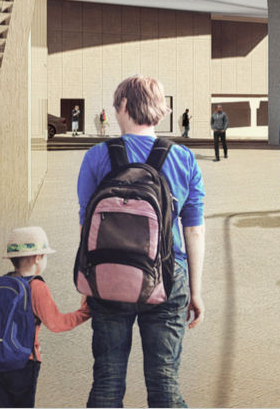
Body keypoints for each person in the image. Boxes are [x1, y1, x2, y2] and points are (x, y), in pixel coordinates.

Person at [77, 75, 205, 408]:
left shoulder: (95, 156)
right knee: (164, 380)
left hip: (107, 277)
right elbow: (194, 229)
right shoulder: (183, 158)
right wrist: (195, 290)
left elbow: (85, 227)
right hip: (165, 276)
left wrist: (88, 284)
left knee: (106, 378)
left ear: (122, 105)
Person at [0, 227, 91, 408]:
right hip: (24, 363)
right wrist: (85, 312)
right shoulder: (36, 286)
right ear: (37, 258)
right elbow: (57, 324)